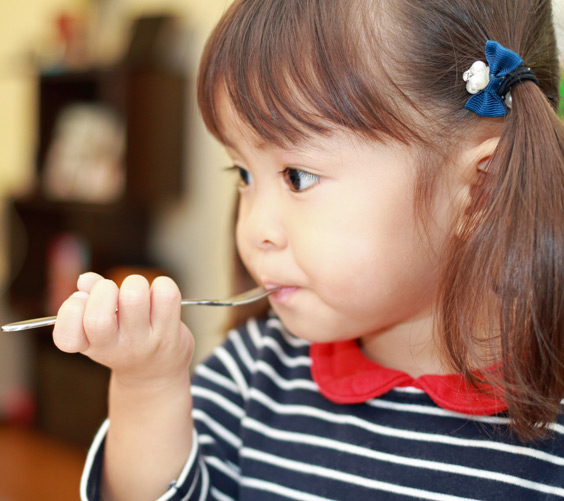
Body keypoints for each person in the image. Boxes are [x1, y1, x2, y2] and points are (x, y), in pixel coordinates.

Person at [53, 0, 564, 499]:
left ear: (483, 191)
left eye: (297, 176)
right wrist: (146, 385)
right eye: (244, 174)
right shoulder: (252, 373)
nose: (254, 228)